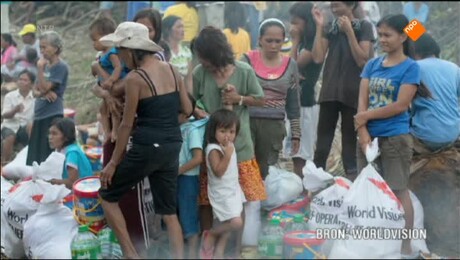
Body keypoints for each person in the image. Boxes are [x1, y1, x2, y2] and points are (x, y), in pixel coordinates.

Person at [97, 21, 193, 259]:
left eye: (120, 49)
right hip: (172, 144)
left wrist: (112, 163)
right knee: (169, 213)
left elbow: (127, 126)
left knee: (107, 196)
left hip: (147, 146)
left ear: (132, 50)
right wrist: (166, 124)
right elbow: (188, 108)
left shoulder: (135, 79)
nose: (118, 55)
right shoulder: (172, 69)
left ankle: (132, 255)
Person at [192, 26, 266, 257]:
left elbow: (260, 99)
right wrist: (200, 113)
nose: (202, 62)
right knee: (207, 200)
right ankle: (209, 248)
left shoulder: (243, 71)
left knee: (242, 200)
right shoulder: (199, 74)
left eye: (204, 57)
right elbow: (190, 102)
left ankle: (236, 249)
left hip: (240, 148)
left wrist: (239, 99)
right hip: (211, 149)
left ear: (216, 53)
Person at [353, 14, 420, 258]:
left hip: (395, 138)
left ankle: (404, 245)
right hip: (369, 137)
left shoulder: (411, 67)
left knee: (398, 190)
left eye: (387, 35)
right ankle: (371, 242)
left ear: (403, 37)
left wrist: (365, 117)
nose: (382, 40)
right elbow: (362, 99)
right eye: (379, 35)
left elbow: (401, 105)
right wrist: (362, 131)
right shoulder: (372, 64)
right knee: (367, 190)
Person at [311, 1, 375, 180]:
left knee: (349, 143)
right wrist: (319, 26)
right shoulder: (330, 28)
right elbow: (317, 57)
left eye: (338, 5)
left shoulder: (364, 26)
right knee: (322, 145)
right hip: (330, 91)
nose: (334, 8)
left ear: (352, 5)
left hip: (353, 92)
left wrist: (349, 32)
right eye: (333, 4)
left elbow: (362, 61)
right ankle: (317, 185)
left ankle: (351, 186)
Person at [240, 18, 301, 179]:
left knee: (264, 168)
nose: (273, 45)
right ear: (260, 40)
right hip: (246, 122)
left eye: (278, 41)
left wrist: (296, 133)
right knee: (244, 165)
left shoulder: (290, 64)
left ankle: (259, 202)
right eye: (269, 41)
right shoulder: (247, 60)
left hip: (273, 126)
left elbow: (293, 102)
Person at [200, 109, 245, 259]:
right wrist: (228, 154)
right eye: (223, 131)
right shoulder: (213, 149)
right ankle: (211, 234)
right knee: (236, 222)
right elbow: (219, 171)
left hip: (232, 190)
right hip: (222, 193)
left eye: (231, 132)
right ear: (214, 131)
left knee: (227, 226)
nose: (227, 136)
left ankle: (218, 254)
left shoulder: (228, 147)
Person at [288, 2, 324, 177]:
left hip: (306, 103)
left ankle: (303, 191)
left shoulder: (309, 46)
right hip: (297, 103)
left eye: (296, 22)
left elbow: (290, 66)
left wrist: (294, 42)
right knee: (296, 153)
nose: (293, 27)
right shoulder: (305, 43)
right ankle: (300, 189)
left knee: (301, 153)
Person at [410, 33, 460, 153]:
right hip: (453, 134)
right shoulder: (454, 67)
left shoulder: (414, 67)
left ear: (414, 52)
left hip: (426, 136)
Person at [26, 31, 69, 166]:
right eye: (40, 48)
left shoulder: (60, 67)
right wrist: (42, 92)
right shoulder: (46, 66)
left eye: (45, 47)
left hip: (52, 114)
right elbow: (34, 91)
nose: (42, 51)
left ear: (55, 48)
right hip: (39, 114)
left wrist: (39, 69)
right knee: (37, 155)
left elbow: (43, 87)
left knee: (48, 153)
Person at [89, 17, 129, 143]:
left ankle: (115, 131)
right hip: (106, 88)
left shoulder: (112, 52)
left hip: (115, 86)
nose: (93, 44)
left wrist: (111, 80)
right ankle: (107, 131)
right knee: (103, 109)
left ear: (107, 37)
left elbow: (118, 67)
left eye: (95, 40)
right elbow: (95, 74)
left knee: (114, 110)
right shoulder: (101, 55)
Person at [177, 97, 208, 259]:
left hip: (187, 178)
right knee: (179, 217)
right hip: (178, 178)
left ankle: (192, 255)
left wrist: (178, 171)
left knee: (189, 218)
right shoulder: (179, 127)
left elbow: (197, 158)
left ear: (184, 113)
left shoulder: (192, 130)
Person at [48, 118, 93, 189]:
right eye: (50, 133)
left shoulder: (71, 153)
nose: (50, 137)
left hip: (84, 190)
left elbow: (73, 183)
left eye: (54, 134)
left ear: (66, 137)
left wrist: (51, 182)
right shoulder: (60, 150)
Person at [1, 70, 35, 164]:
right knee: (10, 136)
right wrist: (14, 111)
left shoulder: (35, 98)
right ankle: (5, 163)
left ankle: (32, 158)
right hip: (10, 126)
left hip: (24, 128)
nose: (21, 82)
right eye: (20, 79)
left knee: (31, 125)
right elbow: (4, 115)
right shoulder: (10, 96)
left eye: (25, 80)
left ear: (31, 84)